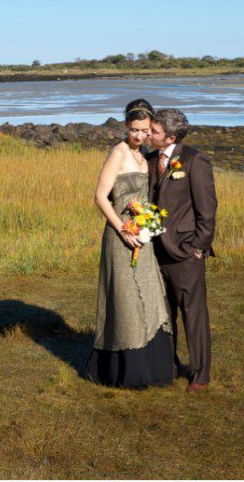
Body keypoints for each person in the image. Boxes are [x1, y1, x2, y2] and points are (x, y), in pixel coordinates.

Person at [84, 99, 174, 389]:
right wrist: (123, 230)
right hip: (120, 236)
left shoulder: (144, 154)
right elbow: (100, 196)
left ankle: (154, 365)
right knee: (125, 300)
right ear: (125, 126)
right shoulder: (118, 153)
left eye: (144, 130)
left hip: (142, 237)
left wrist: (146, 226)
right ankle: (124, 371)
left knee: (147, 295)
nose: (138, 136)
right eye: (134, 130)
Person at [146, 108, 217, 393]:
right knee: (163, 314)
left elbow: (207, 210)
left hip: (185, 252)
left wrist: (197, 247)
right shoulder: (150, 160)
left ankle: (200, 374)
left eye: (154, 132)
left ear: (170, 137)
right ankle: (169, 366)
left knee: (193, 314)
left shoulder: (195, 161)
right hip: (153, 250)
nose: (148, 135)